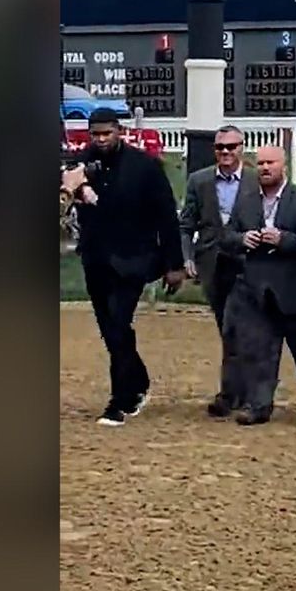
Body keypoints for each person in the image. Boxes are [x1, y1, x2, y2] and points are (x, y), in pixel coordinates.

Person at [61, 108, 186, 426]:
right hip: (96, 259)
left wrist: (175, 264)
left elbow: (166, 216)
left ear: (120, 131)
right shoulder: (76, 164)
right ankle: (139, 382)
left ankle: (120, 401)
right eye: (96, 134)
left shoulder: (144, 167)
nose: (101, 140)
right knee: (111, 330)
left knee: (118, 323)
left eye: (107, 133)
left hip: (134, 259)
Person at [219, 146, 296, 426]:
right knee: (258, 349)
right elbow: (227, 236)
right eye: (261, 163)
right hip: (256, 290)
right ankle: (259, 406)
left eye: (271, 163)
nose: (265, 168)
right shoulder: (245, 202)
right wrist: (241, 239)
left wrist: (284, 240)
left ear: (284, 167)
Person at [179, 125, 259, 416]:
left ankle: (237, 393)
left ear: (241, 147)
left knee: (243, 327)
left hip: (248, 261)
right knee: (226, 328)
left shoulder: (255, 180)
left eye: (231, 147)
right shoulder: (199, 181)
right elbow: (187, 224)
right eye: (220, 148)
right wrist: (187, 257)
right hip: (212, 262)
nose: (225, 152)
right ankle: (235, 392)